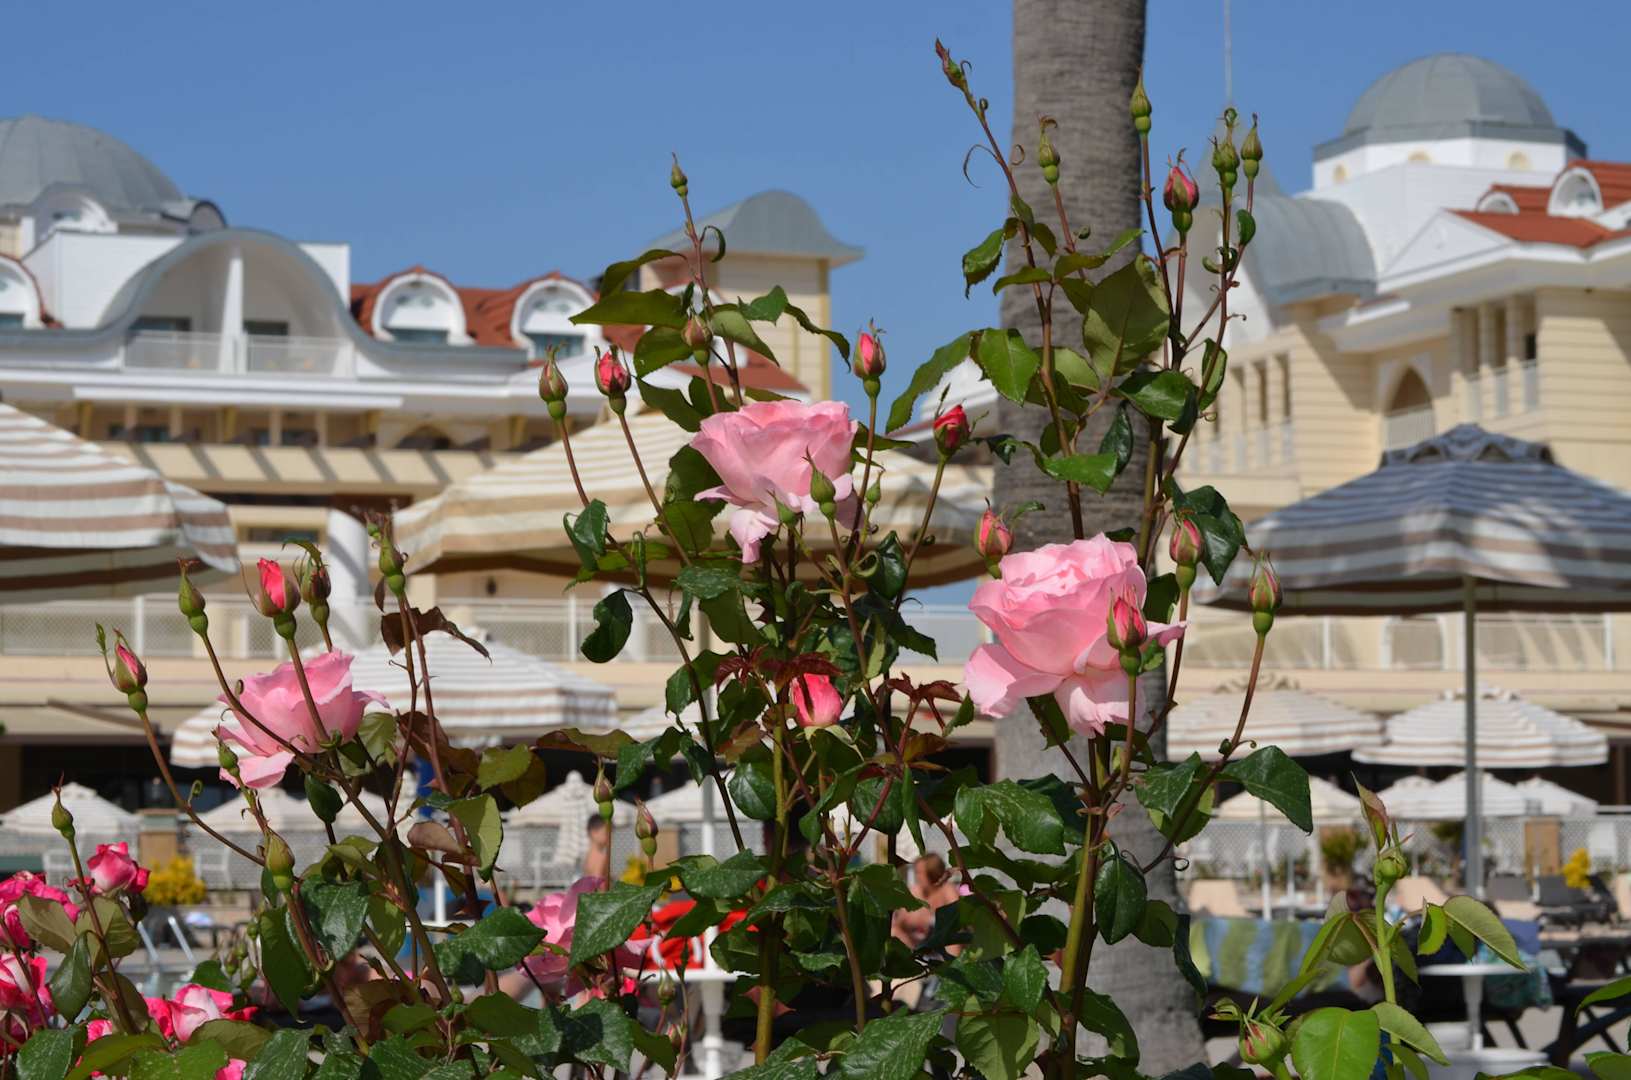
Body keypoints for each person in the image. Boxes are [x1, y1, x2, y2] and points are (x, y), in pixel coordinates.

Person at [892, 854, 960, 949]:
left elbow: (956, 924)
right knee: (894, 932)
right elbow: (898, 926)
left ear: (933, 873)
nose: (917, 877)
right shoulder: (914, 892)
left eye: (919, 873)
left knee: (954, 941)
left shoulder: (948, 891)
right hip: (915, 947)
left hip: (942, 947)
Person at [584, 814, 611, 882]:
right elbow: (598, 883)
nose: (609, 837)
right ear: (594, 833)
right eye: (606, 833)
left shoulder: (588, 855)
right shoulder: (601, 857)